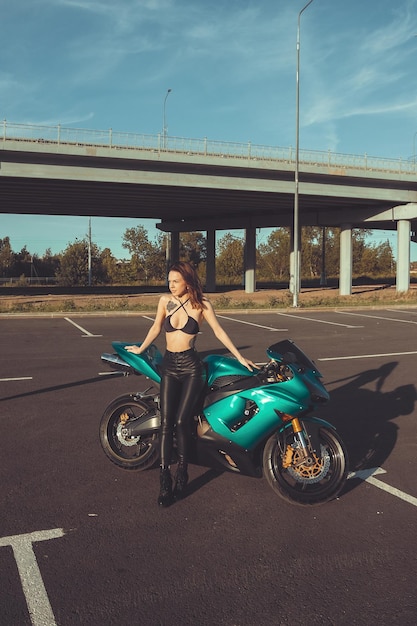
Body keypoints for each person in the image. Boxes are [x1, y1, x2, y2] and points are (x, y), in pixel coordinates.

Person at [125, 261, 256, 508]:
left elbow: (219, 331)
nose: (171, 285)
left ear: (187, 281)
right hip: (170, 367)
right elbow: (155, 327)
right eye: (169, 281)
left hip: (191, 368)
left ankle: (182, 470)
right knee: (166, 422)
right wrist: (141, 348)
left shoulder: (202, 305)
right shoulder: (164, 301)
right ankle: (165, 479)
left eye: (175, 281)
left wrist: (240, 357)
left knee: (182, 421)